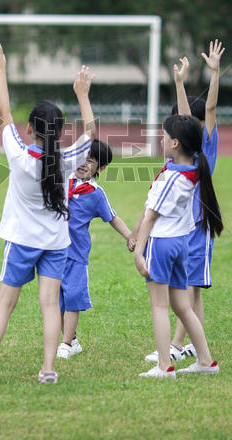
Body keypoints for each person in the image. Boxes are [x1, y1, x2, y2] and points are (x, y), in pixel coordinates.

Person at [0, 41, 96, 385]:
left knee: (5, 302)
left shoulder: (18, 153)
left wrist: (1, 71)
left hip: (21, 240)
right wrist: (82, 94)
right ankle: (48, 369)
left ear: (30, 130)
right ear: (59, 133)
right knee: (48, 305)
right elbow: (89, 132)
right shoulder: (69, 159)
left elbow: (4, 114)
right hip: (56, 243)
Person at [143, 40, 224, 364]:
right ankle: (187, 347)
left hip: (197, 227)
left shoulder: (206, 143)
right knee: (188, 289)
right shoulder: (186, 152)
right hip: (180, 227)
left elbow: (209, 111)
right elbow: (185, 116)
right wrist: (178, 83)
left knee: (189, 289)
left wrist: (214, 73)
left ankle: (178, 346)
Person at [133, 114, 223, 378]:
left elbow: (150, 216)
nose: (161, 139)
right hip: (180, 244)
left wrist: (139, 251)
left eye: (164, 135)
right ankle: (205, 361)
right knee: (182, 306)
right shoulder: (194, 168)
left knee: (159, 306)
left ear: (175, 143)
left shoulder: (172, 177)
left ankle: (165, 366)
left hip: (161, 244)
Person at [56, 140, 133, 360]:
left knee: (72, 297)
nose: (83, 164)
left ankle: (65, 343)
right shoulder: (63, 181)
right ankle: (73, 340)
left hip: (77, 255)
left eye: (90, 161)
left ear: (100, 169)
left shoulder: (96, 194)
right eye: (82, 158)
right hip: (55, 251)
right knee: (57, 300)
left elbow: (112, 217)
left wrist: (129, 236)